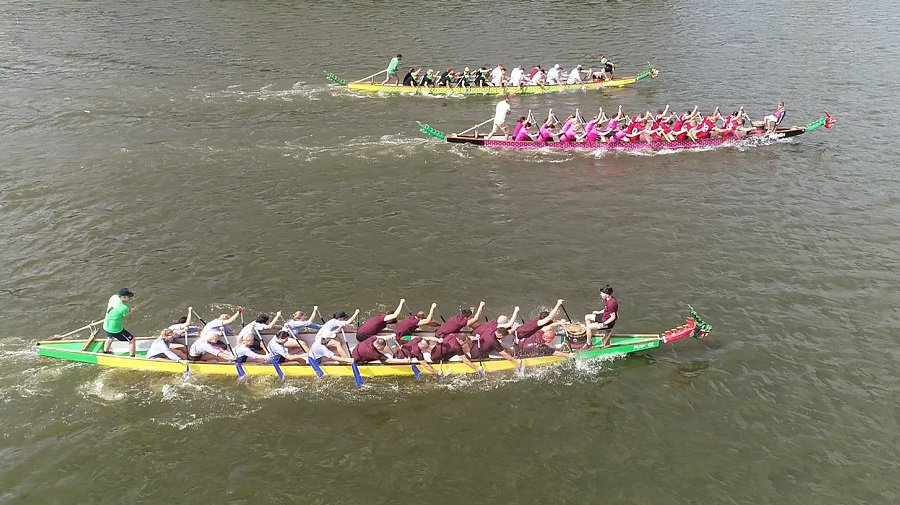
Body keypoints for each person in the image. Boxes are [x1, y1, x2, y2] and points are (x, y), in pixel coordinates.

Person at [102, 288, 137, 356]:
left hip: (106, 325)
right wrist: (133, 312)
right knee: (132, 340)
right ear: (123, 297)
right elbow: (128, 319)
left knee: (110, 337)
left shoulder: (114, 297)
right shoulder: (124, 308)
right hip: (115, 329)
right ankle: (132, 357)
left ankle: (105, 352)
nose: (129, 298)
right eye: (128, 296)